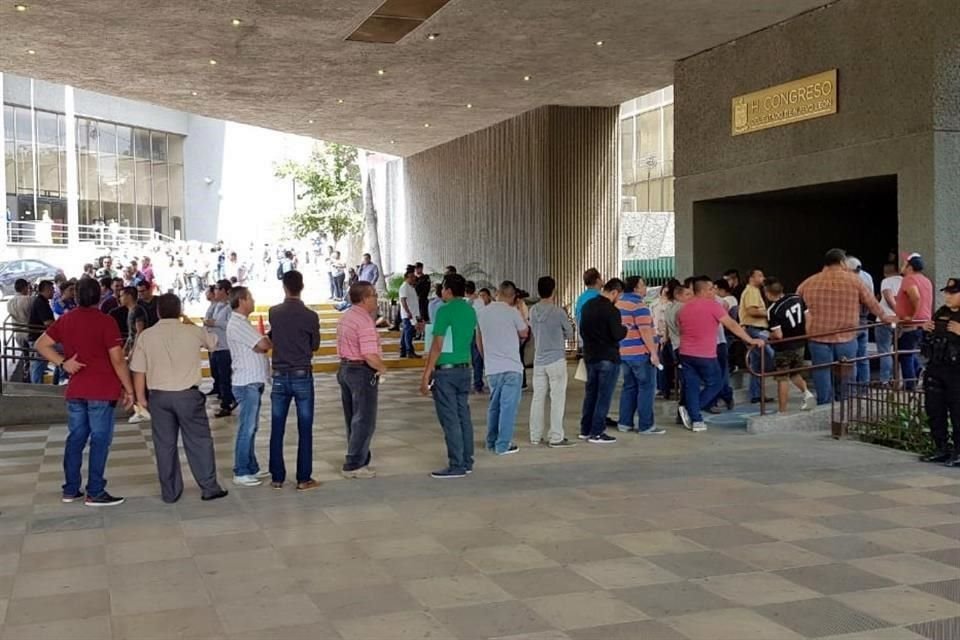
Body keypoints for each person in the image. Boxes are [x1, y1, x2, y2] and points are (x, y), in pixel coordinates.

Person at [36, 277, 135, 506]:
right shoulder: (106, 321)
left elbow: (41, 344)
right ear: (99, 296)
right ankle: (96, 491)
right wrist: (129, 389)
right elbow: (118, 360)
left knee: (76, 439)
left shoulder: (67, 320)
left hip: (77, 389)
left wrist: (63, 363)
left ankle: (71, 489)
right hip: (102, 390)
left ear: (77, 296)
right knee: (100, 441)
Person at [130, 294, 228, 503]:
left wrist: (140, 398)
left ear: (157, 311)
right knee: (199, 441)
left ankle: (170, 492)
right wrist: (190, 321)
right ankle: (209, 487)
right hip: (188, 396)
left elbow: (138, 370)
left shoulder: (146, 336)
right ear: (179, 309)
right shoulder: (192, 331)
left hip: (159, 397)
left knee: (164, 445)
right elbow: (213, 343)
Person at [798, 248, 893, 405]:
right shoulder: (854, 281)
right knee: (846, 371)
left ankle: (825, 405)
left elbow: (796, 299)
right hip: (846, 335)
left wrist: (807, 317)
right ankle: (845, 404)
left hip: (818, 335)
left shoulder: (810, 281)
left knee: (821, 371)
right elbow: (872, 303)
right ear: (842, 262)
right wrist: (885, 317)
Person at [678, 276, 765, 431]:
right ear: (704, 291)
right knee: (716, 383)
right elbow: (731, 324)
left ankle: (696, 419)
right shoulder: (713, 306)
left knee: (692, 385)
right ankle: (693, 412)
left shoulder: (684, 307)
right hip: (705, 353)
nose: (714, 291)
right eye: (711, 288)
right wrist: (750, 339)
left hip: (685, 352)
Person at [420, 274, 478, 478]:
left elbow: (437, 344)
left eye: (443, 288)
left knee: (450, 418)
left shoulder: (444, 311)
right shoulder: (470, 310)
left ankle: (456, 464)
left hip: (446, 370)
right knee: (463, 416)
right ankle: (467, 460)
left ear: (449, 290)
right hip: (464, 368)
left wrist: (426, 373)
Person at [268, 270, 321, 491]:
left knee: (277, 426)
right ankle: (303, 478)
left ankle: (277, 477)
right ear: (302, 286)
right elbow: (315, 345)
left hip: (279, 375)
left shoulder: (274, 312)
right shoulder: (310, 315)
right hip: (302, 374)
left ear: (284, 287)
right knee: (305, 427)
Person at [336, 281, 387, 479]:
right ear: (365, 298)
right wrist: (383, 368)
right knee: (364, 419)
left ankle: (358, 457)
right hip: (361, 372)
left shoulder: (347, 316)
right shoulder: (364, 321)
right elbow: (369, 354)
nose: (376, 298)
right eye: (374, 295)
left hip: (346, 368)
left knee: (353, 418)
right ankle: (354, 463)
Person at [226, 286, 273, 487]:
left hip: (252, 380)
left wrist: (262, 341)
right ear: (242, 300)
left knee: (252, 426)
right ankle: (241, 470)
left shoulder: (243, 323)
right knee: (247, 427)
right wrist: (264, 341)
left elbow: (259, 344)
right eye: (251, 297)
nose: (253, 301)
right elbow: (262, 345)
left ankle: (251, 466)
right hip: (247, 383)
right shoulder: (237, 323)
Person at [476, 281, 528, 455]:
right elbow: (524, 332)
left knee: (494, 406)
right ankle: (503, 444)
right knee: (508, 408)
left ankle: (491, 441)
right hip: (512, 366)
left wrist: (486, 358)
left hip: (492, 368)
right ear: (513, 296)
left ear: (497, 292)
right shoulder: (513, 312)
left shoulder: (483, 313)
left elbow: (479, 340)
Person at [528, 276, 575, 447]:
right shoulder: (558, 312)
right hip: (556, 359)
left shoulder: (532, 311)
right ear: (554, 290)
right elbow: (570, 334)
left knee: (538, 398)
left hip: (538, 360)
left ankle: (535, 435)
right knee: (557, 398)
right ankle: (556, 437)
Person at [579, 278, 627, 444]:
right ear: (614, 292)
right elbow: (617, 334)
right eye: (618, 296)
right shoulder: (611, 311)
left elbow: (582, 330)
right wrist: (624, 329)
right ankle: (597, 432)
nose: (618, 299)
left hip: (590, 356)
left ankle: (585, 429)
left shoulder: (587, 306)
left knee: (591, 394)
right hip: (608, 357)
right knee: (603, 396)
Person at [616, 276, 664, 435]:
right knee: (646, 388)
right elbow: (645, 331)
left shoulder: (619, 303)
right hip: (640, 354)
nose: (646, 288)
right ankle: (646, 425)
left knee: (629, 387)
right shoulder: (639, 305)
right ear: (636, 288)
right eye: (643, 285)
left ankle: (624, 423)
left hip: (624, 352)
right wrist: (654, 353)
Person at [919, 278, 960, 465]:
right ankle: (941, 448)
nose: (948, 296)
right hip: (936, 368)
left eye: (953, 293)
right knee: (935, 410)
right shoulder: (942, 312)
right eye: (947, 292)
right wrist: (926, 329)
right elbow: (929, 341)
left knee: (958, 413)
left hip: (956, 373)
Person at [764, 278, 816, 412]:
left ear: (768, 293)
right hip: (800, 342)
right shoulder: (796, 298)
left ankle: (782, 411)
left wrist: (768, 336)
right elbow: (808, 316)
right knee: (794, 372)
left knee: (782, 378)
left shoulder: (773, 310)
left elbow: (778, 334)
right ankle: (807, 393)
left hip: (785, 346)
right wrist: (806, 333)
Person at [896, 253, 934, 390]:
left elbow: (916, 297)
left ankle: (909, 385)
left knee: (904, 354)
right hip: (924, 323)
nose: (901, 266)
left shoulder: (909, 279)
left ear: (909, 266)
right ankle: (917, 370)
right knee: (909, 352)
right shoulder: (926, 280)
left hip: (911, 324)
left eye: (903, 263)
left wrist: (911, 316)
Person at [739, 268, 774, 403]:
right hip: (755, 329)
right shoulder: (752, 291)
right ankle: (757, 393)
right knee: (769, 355)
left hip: (754, 328)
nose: (763, 278)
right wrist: (770, 312)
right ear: (751, 278)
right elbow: (752, 310)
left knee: (757, 365)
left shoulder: (754, 291)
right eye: (760, 275)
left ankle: (756, 394)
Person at [205, 280, 237, 418]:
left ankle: (227, 403)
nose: (215, 292)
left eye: (217, 289)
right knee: (220, 376)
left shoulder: (230, 307)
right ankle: (226, 399)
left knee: (225, 377)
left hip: (225, 347)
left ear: (225, 291)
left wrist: (215, 323)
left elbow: (231, 325)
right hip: (216, 346)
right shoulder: (217, 306)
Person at [846, 256, 875, 384]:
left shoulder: (850, 279)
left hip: (852, 320)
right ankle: (864, 386)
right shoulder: (867, 276)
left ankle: (851, 389)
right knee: (863, 356)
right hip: (864, 319)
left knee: (850, 357)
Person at [876, 262, 903, 385]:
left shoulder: (887, 281)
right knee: (899, 350)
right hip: (901, 321)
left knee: (885, 351)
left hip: (885, 319)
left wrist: (895, 312)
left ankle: (885, 380)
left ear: (885, 272)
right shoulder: (904, 281)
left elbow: (888, 296)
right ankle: (898, 378)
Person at [28, 280, 56, 384]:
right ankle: (36, 387)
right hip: (38, 338)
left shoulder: (43, 301)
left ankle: (38, 384)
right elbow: (47, 322)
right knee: (38, 364)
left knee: (40, 363)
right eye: (52, 289)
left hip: (41, 337)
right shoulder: (40, 302)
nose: (54, 292)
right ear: (47, 289)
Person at [6, 278, 33, 382]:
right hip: (29, 332)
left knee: (26, 357)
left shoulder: (9, 301)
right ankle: (30, 378)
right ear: (25, 287)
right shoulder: (28, 299)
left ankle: (25, 376)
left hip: (18, 333)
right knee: (33, 357)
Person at [465, 281, 486, 392]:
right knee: (477, 359)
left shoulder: (466, 302)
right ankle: (477, 383)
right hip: (477, 331)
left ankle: (476, 383)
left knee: (474, 359)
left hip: (470, 332)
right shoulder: (480, 301)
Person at [398, 267, 422, 358]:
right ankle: (409, 351)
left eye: (413, 277)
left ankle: (403, 350)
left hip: (413, 314)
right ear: (406, 278)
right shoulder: (404, 287)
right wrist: (407, 312)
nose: (413, 278)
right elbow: (403, 300)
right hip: (408, 314)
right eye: (411, 277)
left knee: (406, 332)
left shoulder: (411, 287)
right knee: (408, 333)